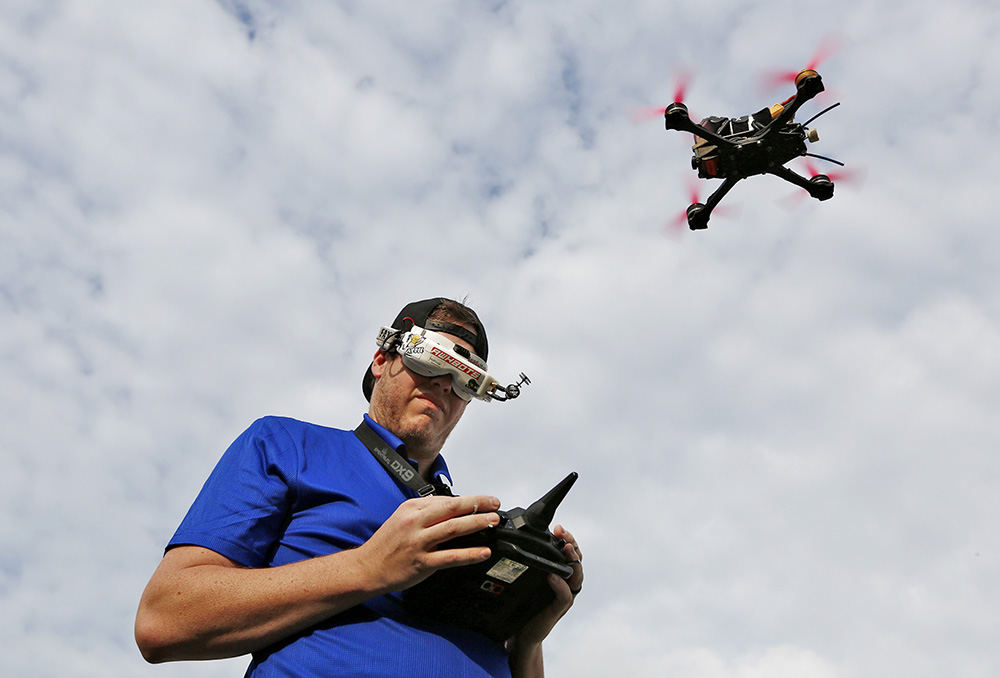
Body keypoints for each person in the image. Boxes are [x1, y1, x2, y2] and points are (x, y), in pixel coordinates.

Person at [135, 297, 583, 678]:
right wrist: (368, 569)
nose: (444, 383)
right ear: (383, 359)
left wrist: (526, 642)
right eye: (429, 359)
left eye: (466, 378)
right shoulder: (288, 445)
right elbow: (165, 620)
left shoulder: (468, 527)